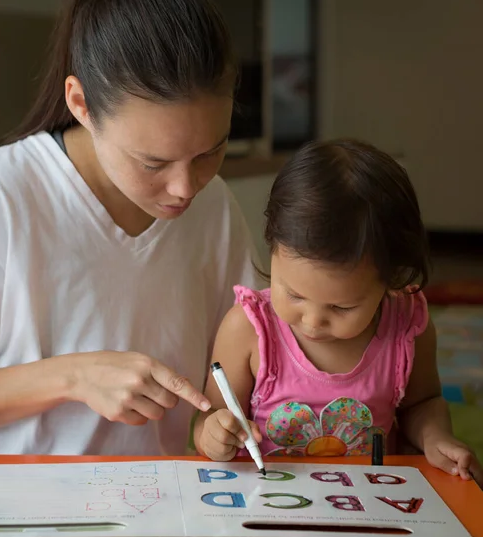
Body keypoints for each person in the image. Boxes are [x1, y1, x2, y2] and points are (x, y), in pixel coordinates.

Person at [0, 0, 260, 455]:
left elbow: (250, 359)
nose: (185, 187)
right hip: (5, 520)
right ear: (81, 103)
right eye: (153, 162)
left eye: (211, 151)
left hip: (161, 511)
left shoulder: (216, 207)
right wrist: (73, 376)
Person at [194, 139, 483, 486]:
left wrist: (435, 438)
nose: (313, 321)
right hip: (267, 504)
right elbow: (212, 416)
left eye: (341, 306)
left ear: (391, 280)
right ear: (272, 246)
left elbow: (423, 403)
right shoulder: (248, 329)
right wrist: (214, 435)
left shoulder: (406, 325)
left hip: (371, 502)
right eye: (294, 294)